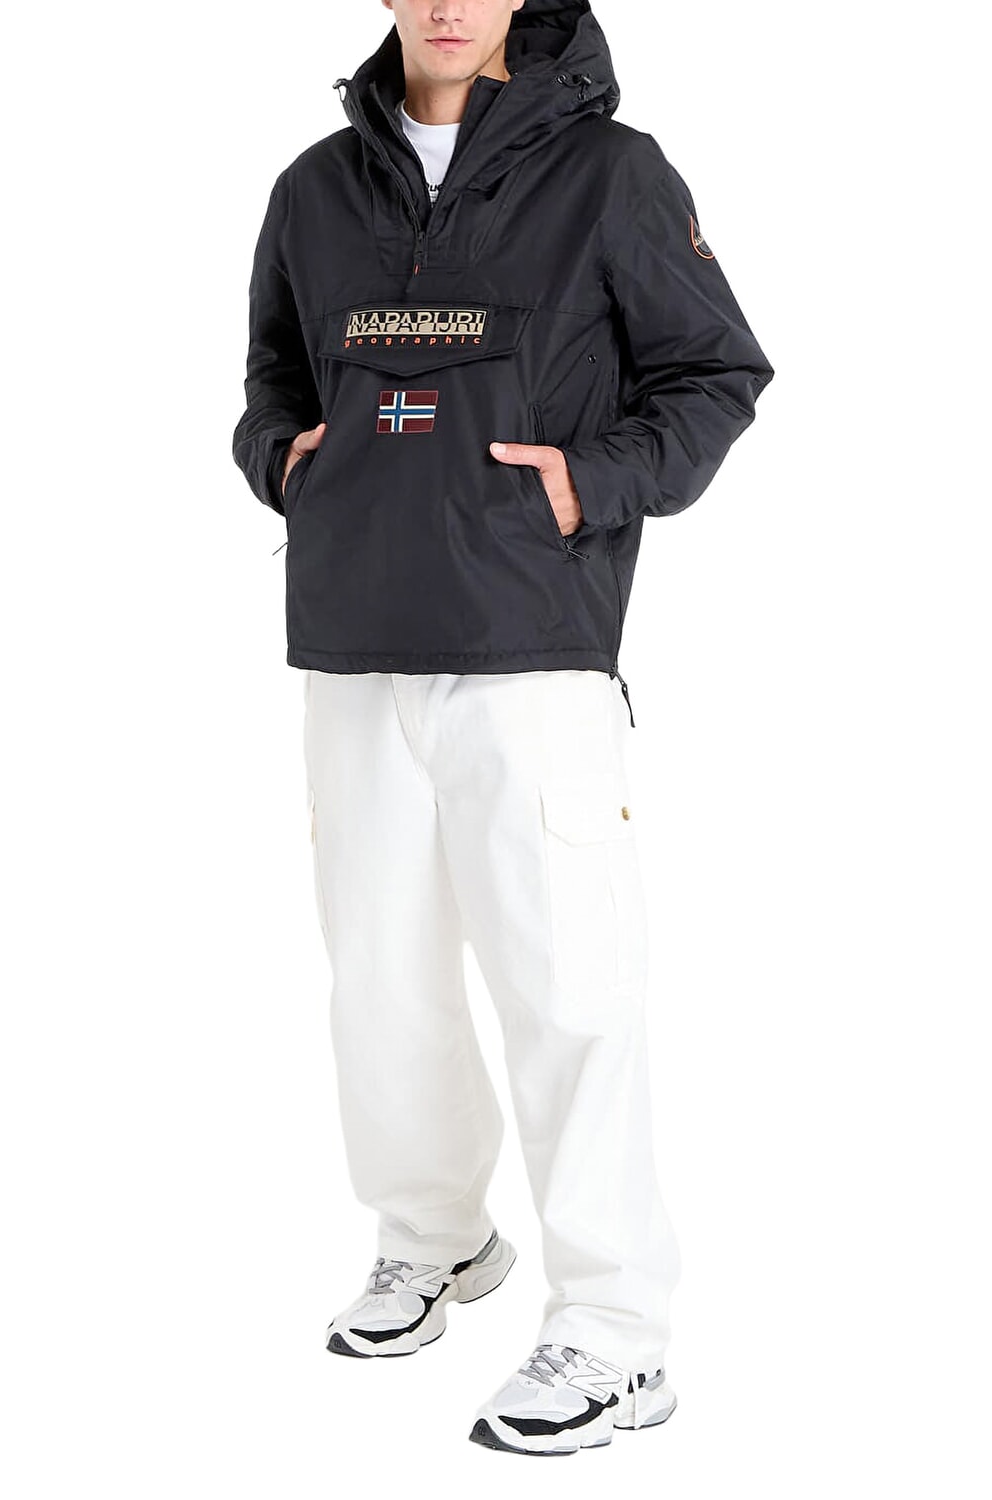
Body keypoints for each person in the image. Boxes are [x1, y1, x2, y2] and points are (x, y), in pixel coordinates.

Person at [231, 0, 774, 1457]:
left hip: (531, 648)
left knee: (569, 990)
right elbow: (273, 379)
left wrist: (592, 484)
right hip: (351, 642)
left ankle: (616, 1330)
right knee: (380, 981)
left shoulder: (612, 172)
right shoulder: (312, 188)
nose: (449, 4)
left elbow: (716, 372)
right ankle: (433, 1236)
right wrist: (283, 460)